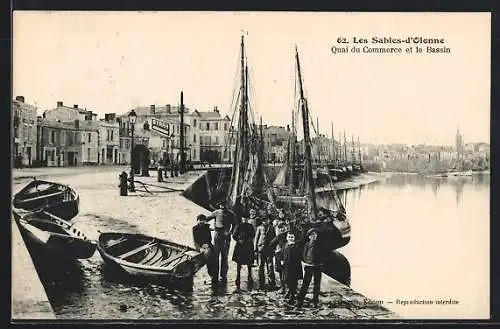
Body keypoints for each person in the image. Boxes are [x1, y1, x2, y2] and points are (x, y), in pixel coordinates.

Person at [206, 202, 237, 284]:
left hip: (226, 236)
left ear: (227, 205)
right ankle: (215, 276)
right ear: (219, 205)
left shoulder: (231, 213)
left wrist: (231, 232)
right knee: (215, 256)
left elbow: (235, 224)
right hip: (217, 235)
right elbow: (206, 219)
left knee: (225, 256)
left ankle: (223, 276)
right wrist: (207, 227)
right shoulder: (216, 212)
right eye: (221, 204)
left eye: (224, 204)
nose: (223, 206)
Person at [297, 228, 323, 308]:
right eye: (312, 235)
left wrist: (320, 262)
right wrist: (307, 262)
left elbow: (324, 254)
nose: (314, 236)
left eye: (315, 234)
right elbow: (304, 255)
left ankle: (315, 301)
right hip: (309, 266)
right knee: (305, 284)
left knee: (317, 284)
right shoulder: (307, 245)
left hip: (318, 266)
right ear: (309, 236)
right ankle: (300, 300)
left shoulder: (320, 244)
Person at [231, 216, 256, 289]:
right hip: (240, 245)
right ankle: (238, 277)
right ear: (242, 219)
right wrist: (238, 240)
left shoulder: (250, 226)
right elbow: (234, 235)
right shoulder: (238, 226)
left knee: (249, 262)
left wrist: (249, 239)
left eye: (246, 218)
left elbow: (253, 234)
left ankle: (249, 276)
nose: (244, 219)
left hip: (248, 245)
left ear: (247, 219)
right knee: (239, 262)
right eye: (243, 218)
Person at [254, 215, 276, 289]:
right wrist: (255, 249)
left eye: (266, 220)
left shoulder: (272, 228)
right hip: (261, 249)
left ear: (268, 220)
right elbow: (256, 239)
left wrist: (274, 248)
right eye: (264, 220)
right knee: (261, 266)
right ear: (262, 221)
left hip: (269, 249)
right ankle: (261, 282)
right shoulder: (259, 228)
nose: (265, 221)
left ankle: (271, 282)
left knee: (270, 266)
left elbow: (274, 239)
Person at [282, 230, 303, 305]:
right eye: (289, 237)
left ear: (294, 238)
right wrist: (281, 260)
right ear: (286, 238)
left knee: (293, 281)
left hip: (294, 266)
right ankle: (289, 292)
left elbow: (299, 256)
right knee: (286, 280)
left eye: (292, 237)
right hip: (286, 266)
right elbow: (282, 253)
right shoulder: (285, 245)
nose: (290, 238)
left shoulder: (296, 246)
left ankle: (291, 296)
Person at [192, 214, 215, 281]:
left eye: (203, 220)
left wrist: (207, 244)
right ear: (197, 221)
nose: (201, 222)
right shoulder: (195, 228)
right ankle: (210, 274)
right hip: (200, 245)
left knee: (213, 257)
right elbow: (195, 240)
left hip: (208, 244)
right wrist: (200, 247)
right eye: (200, 220)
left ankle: (212, 275)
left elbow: (209, 238)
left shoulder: (206, 227)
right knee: (207, 256)